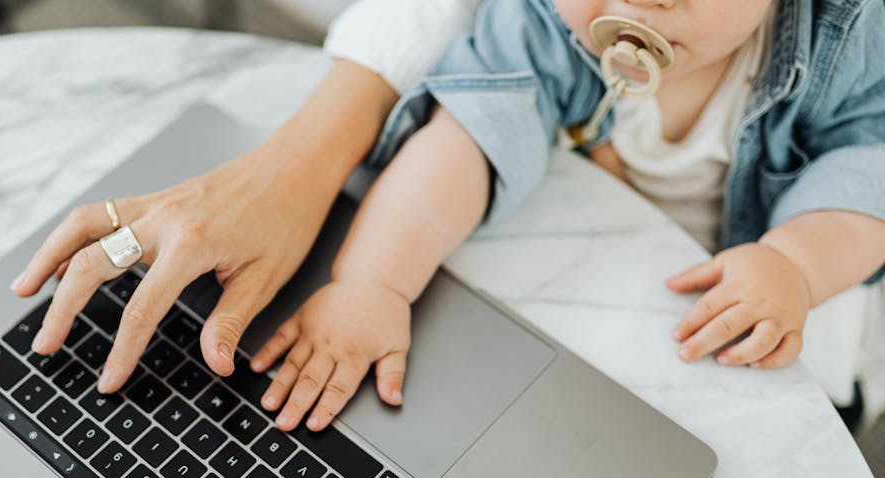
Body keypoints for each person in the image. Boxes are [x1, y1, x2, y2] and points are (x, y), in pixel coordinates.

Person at [248, 0, 885, 432]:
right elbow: (465, 137)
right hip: (597, 284)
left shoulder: (848, 38)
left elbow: (869, 167)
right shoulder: (546, 21)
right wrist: (371, 284)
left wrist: (796, 267)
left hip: (775, 303)